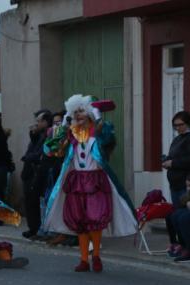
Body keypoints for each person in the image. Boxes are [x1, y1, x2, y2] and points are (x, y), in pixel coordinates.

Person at [43, 95, 136, 272]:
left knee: (95, 219)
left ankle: (96, 256)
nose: (78, 115)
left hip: (96, 181)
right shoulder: (70, 133)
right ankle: (84, 259)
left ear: (89, 112)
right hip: (77, 181)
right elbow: (50, 149)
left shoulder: (100, 130)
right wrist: (63, 126)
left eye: (81, 111)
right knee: (80, 221)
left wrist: (99, 118)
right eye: (75, 112)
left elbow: (109, 139)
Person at [162, 111, 190, 208]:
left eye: (180, 125)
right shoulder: (178, 138)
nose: (178, 128)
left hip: (187, 185)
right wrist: (167, 161)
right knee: (177, 215)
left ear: (189, 123)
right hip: (175, 185)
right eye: (175, 126)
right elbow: (173, 155)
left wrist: (173, 163)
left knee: (183, 216)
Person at [21, 109, 52, 238]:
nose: (36, 124)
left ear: (45, 122)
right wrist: (33, 135)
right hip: (30, 173)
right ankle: (33, 227)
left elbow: (40, 153)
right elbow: (33, 147)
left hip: (39, 173)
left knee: (36, 202)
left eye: (39, 121)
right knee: (30, 202)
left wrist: (28, 157)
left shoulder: (48, 135)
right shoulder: (38, 134)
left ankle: (38, 228)